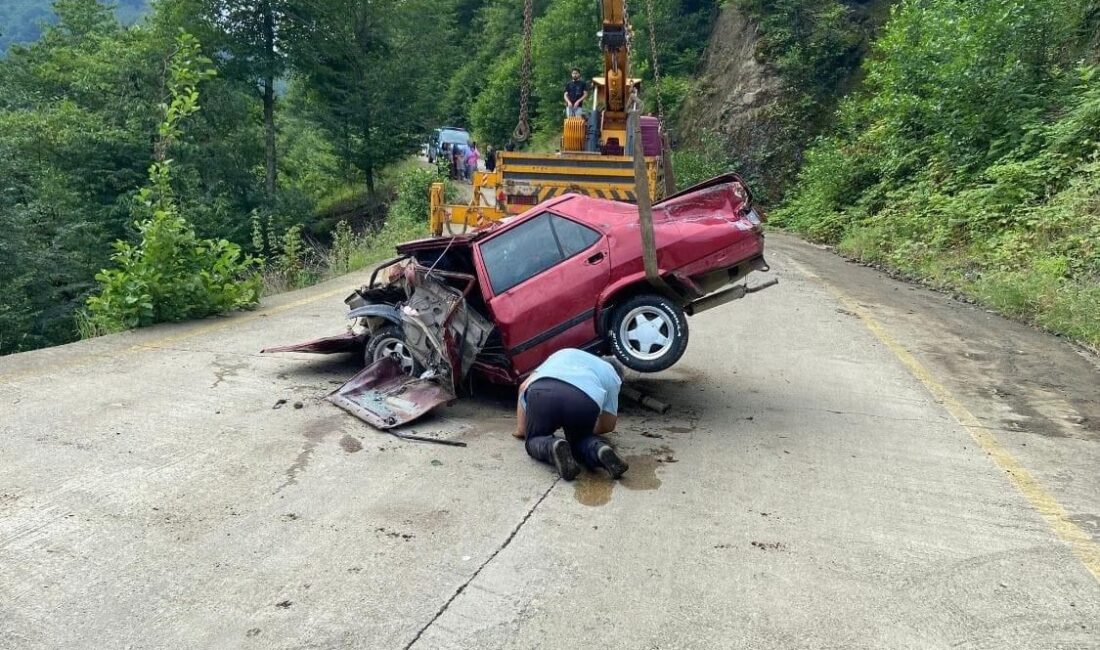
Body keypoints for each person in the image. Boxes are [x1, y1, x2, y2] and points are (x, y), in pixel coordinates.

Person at [514, 348, 629, 481]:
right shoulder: (612, 376)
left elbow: (523, 386)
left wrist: (521, 430)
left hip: (543, 390)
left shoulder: (564, 352)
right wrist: (579, 426)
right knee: (581, 441)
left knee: (535, 439)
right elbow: (608, 425)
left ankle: (552, 447)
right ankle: (599, 450)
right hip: (583, 399)